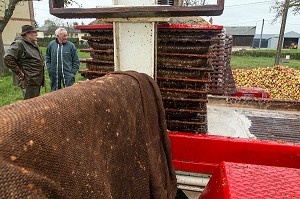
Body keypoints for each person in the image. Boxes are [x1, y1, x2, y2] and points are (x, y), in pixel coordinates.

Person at [4, 25, 44, 100]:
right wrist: (19, 73)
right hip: (28, 81)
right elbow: (7, 58)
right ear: (27, 34)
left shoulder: (32, 43)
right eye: (34, 32)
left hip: (35, 80)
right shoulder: (19, 44)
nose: (37, 34)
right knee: (30, 105)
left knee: (35, 103)